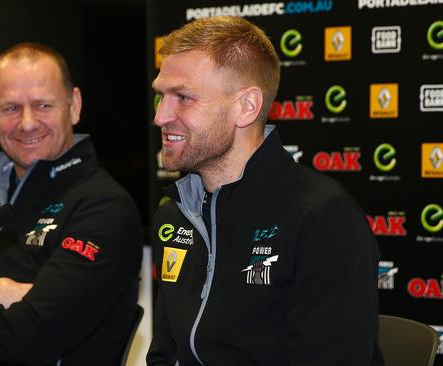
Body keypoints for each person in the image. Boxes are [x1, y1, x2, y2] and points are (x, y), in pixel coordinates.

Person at [147, 16, 383, 365]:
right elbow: (166, 356)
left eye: (183, 97)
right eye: (161, 97)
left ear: (247, 107)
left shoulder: (322, 217)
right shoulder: (175, 213)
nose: (161, 116)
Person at [0, 43, 142, 365]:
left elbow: (29, 338)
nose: (27, 123)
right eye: (11, 108)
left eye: (43, 105)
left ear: (74, 106)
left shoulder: (104, 207)